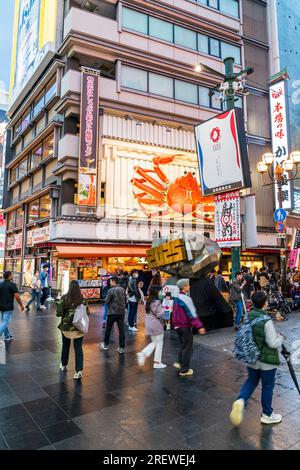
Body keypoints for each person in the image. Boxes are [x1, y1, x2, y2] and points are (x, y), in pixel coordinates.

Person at [230, 291, 284, 426]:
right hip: (267, 361)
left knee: (251, 381)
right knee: (267, 386)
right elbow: (272, 342)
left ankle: (241, 400)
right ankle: (267, 414)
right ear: (265, 303)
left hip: (252, 357)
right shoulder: (266, 320)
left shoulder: (248, 316)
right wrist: (281, 338)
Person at [172, 279, 206, 377]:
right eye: (187, 285)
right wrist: (200, 326)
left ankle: (179, 362)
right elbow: (192, 314)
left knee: (183, 345)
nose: (189, 287)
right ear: (184, 287)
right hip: (185, 326)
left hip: (177, 326)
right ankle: (184, 370)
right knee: (188, 348)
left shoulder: (176, 297)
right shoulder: (186, 299)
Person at [56, 280, 90, 379]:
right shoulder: (82, 299)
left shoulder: (64, 298)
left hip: (66, 327)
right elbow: (87, 312)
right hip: (79, 328)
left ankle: (64, 365)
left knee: (65, 346)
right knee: (78, 348)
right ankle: (78, 370)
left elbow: (59, 313)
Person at [136, 287, 166, 369]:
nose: (161, 293)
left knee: (155, 342)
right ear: (156, 292)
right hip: (156, 324)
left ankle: (143, 354)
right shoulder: (157, 302)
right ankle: (157, 362)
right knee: (159, 343)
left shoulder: (147, 301)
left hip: (149, 323)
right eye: (160, 291)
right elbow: (160, 314)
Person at [100, 276, 126, 354]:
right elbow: (125, 299)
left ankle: (106, 344)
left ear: (114, 281)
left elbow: (107, 301)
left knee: (108, 329)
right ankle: (121, 348)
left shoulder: (111, 290)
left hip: (112, 313)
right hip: (121, 313)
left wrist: (105, 300)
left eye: (111, 281)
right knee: (121, 330)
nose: (110, 283)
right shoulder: (122, 289)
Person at [0, 271, 25, 341]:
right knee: (5, 322)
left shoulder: (1, 284)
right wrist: (21, 305)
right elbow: (17, 296)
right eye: (12, 275)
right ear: (9, 276)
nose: (12, 276)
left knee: (4, 321)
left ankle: (8, 335)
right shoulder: (12, 285)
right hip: (8, 307)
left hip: (1, 306)